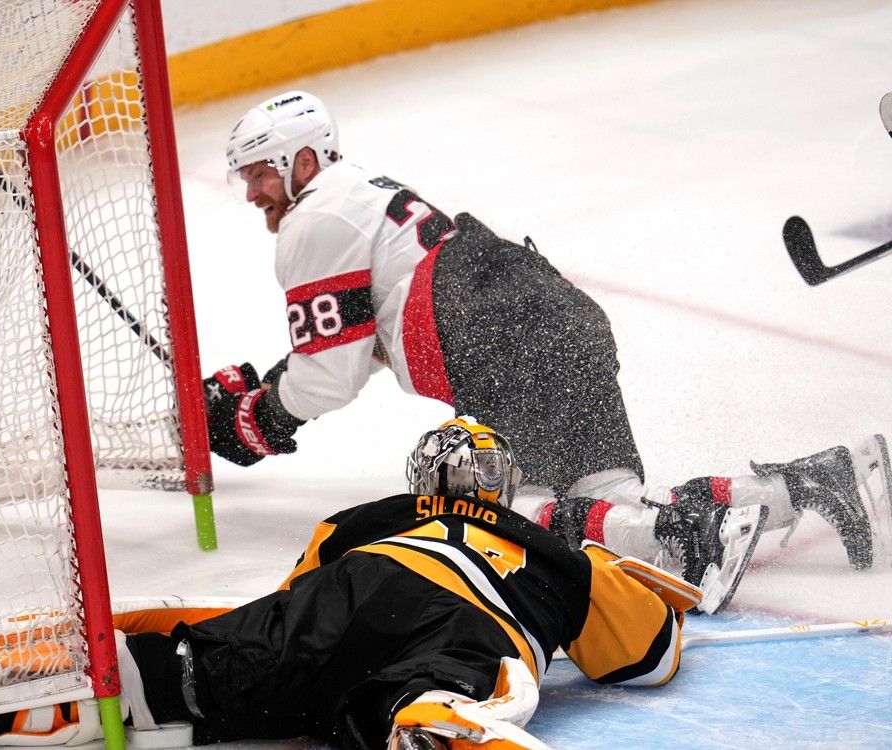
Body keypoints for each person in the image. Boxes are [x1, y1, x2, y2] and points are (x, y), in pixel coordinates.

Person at [202, 90, 890, 608]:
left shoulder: (311, 219)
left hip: (498, 337)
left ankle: (694, 536)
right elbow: (352, 336)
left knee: (489, 522)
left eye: (260, 174)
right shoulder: (355, 195)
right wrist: (271, 387)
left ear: (302, 159)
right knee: (608, 510)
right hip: (549, 314)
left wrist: (257, 417)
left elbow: (329, 378)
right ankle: (808, 483)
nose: (253, 193)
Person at [0, 419, 702, 749]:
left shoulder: (361, 519)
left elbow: (287, 619)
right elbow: (649, 659)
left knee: (204, 672)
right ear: (504, 487)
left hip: (351, 588)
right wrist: (632, 591)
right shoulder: (554, 553)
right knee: (428, 693)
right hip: (468, 628)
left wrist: (167, 628)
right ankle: (438, 716)